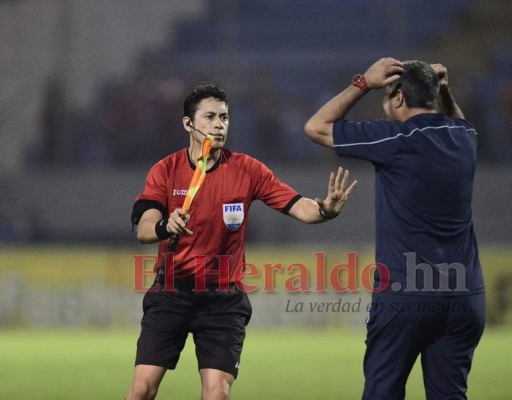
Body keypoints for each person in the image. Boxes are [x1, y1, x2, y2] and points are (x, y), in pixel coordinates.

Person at [127, 82, 357, 400]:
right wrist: (167, 225)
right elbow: (144, 228)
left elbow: (299, 207)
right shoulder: (165, 171)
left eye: (224, 117)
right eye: (209, 117)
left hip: (223, 301)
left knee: (217, 393)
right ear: (188, 123)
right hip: (171, 294)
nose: (219, 124)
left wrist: (325, 210)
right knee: (141, 389)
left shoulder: (247, 170)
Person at [304, 58, 485, 399]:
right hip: (465, 296)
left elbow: (316, 127)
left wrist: (364, 82)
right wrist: (443, 93)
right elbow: (457, 122)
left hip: (406, 295)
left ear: (399, 98)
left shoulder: (395, 138)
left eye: (386, 96)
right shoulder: (465, 138)